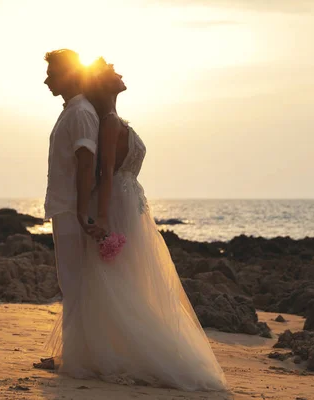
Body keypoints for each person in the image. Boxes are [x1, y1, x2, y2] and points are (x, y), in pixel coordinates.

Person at [43, 58, 228, 392]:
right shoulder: (107, 122)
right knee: (110, 280)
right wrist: (98, 215)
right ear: (103, 82)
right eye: (113, 71)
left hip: (126, 204)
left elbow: (101, 171)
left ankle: (90, 353)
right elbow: (103, 173)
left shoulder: (107, 119)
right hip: (115, 204)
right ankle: (86, 353)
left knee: (123, 279)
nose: (121, 74)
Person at [33, 49, 99, 371]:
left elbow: (87, 163)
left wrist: (82, 212)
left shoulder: (80, 113)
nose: (47, 79)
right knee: (71, 282)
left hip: (72, 209)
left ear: (70, 74)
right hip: (66, 207)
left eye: (53, 73)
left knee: (74, 283)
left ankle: (76, 360)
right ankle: (73, 355)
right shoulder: (73, 111)